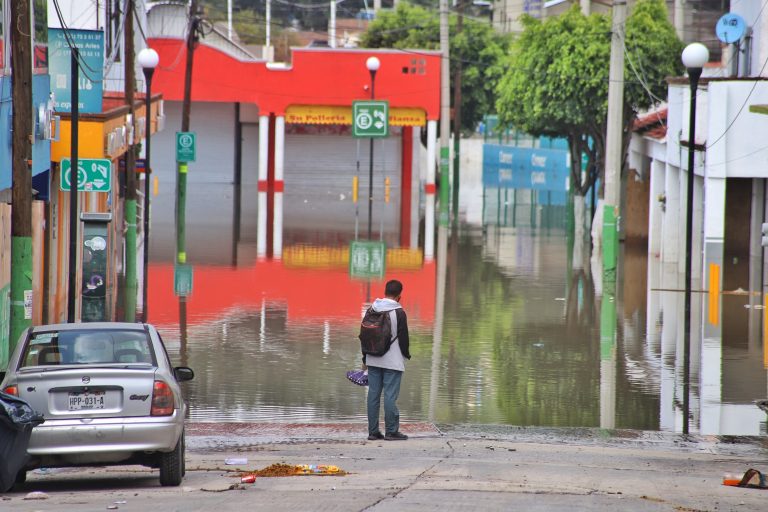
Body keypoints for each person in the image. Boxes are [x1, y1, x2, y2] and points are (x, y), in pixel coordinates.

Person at [364, 279, 411, 441]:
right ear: (399, 296)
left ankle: (373, 431)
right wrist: (406, 354)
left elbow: (365, 335)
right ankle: (391, 431)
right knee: (390, 396)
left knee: (373, 395)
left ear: (385, 292)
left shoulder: (371, 309)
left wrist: (365, 358)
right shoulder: (399, 312)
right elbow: (404, 339)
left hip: (372, 357)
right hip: (392, 360)